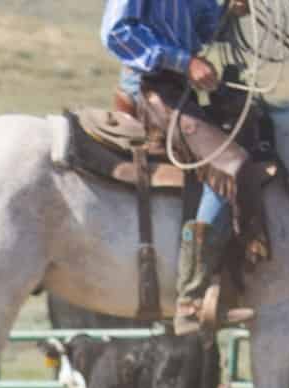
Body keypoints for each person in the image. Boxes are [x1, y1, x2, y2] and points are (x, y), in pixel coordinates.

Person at [103, 0, 241, 323]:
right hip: (148, 88)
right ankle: (191, 297)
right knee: (229, 164)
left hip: (180, 90)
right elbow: (117, 32)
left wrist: (228, 12)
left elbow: (202, 31)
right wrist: (185, 62)